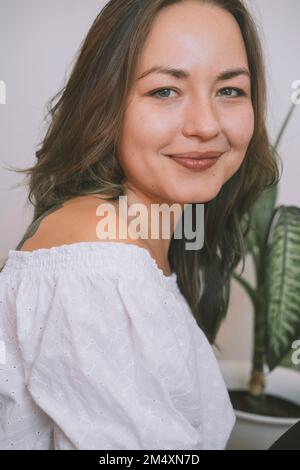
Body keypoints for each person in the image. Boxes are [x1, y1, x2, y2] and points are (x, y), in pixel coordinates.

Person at [0, 0, 280, 450]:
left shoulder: (149, 234)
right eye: (165, 91)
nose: (206, 125)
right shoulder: (97, 261)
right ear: (105, 104)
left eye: (229, 91)